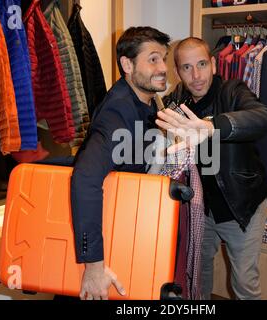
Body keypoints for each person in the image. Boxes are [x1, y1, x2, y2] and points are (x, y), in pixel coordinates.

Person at [157, 37, 267, 300]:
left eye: (201, 64)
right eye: (187, 68)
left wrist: (211, 127)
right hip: (202, 208)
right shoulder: (177, 100)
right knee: (198, 276)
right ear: (178, 72)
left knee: (245, 283)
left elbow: (266, 117)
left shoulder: (233, 92)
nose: (196, 75)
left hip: (240, 205)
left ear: (213, 64)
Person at [71, 26, 170, 300]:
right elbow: (85, 178)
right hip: (106, 235)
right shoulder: (118, 110)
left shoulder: (149, 101)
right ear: (127, 64)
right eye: (153, 59)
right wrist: (93, 266)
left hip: (125, 224)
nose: (163, 67)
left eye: (163, 58)